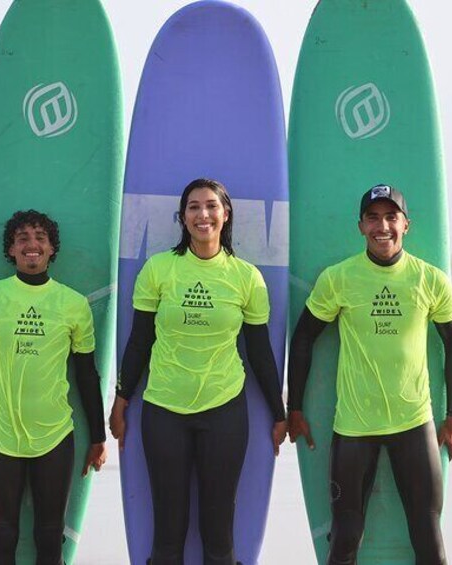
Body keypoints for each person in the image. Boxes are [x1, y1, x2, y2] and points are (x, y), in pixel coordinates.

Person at [286, 185, 452, 565]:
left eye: (390, 217)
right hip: (354, 425)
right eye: (373, 217)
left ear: (406, 225)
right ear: (360, 226)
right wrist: (295, 407)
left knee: (427, 536)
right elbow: (303, 338)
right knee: (346, 536)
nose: (381, 225)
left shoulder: (428, 279)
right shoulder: (339, 278)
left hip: (413, 423)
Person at [110, 178, 288, 565]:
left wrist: (279, 412)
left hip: (224, 409)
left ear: (226, 215)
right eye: (193, 207)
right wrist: (121, 399)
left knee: (218, 532)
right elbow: (139, 341)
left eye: (210, 206)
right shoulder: (159, 269)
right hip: (164, 409)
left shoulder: (246, 277)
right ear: (182, 216)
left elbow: (259, 352)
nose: (202, 214)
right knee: (168, 533)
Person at [0, 210, 107, 565]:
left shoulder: (73, 304)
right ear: (11, 251)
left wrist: (98, 438)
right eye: (23, 239)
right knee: (2, 535)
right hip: (0, 437)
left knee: (49, 536)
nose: (32, 245)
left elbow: (87, 376)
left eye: (40, 238)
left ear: (51, 250)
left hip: (55, 435)